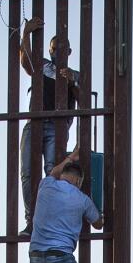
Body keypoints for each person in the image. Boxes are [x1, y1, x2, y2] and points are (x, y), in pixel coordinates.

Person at [16, 14, 82, 232]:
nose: (57, 52)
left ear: (69, 52)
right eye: (54, 49)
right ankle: (31, 220)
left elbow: (85, 102)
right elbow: (25, 60)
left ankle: (51, 221)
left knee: (52, 172)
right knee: (27, 171)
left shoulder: (75, 75)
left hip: (56, 127)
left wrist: (72, 80)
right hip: (34, 123)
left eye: (62, 49)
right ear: (50, 51)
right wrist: (26, 33)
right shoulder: (43, 66)